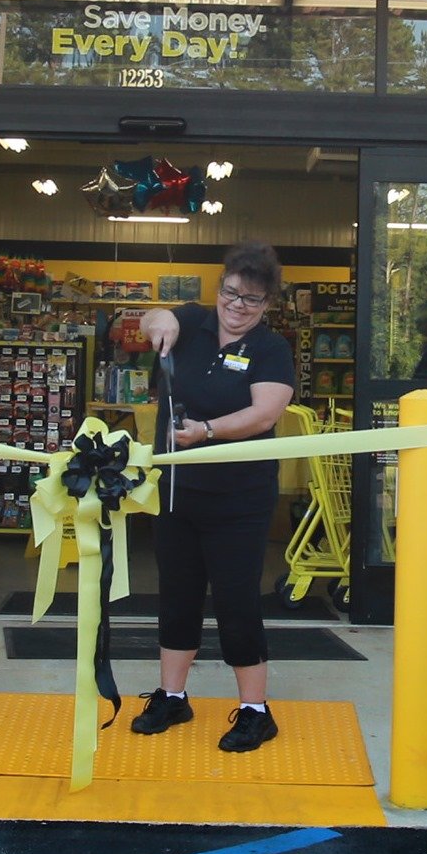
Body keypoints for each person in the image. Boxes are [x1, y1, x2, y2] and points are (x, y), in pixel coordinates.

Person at [130, 244, 297, 754]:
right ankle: (173, 695)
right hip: (178, 492)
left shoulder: (271, 349)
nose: (238, 305)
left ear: (268, 303)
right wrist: (159, 322)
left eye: (252, 299)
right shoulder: (194, 320)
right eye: (231, 292)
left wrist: (205, 430)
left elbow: (264, 414)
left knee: (235, 600)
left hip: (239, 498)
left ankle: (254, 710)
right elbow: (149, 316)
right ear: (219, 286)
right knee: (177, 594)